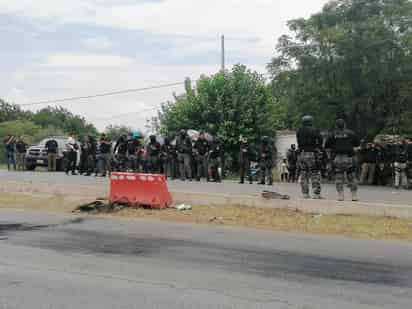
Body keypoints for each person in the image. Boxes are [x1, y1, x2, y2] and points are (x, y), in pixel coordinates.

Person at [325, 119, 360, 201]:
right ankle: (354, 195)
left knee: (339, 177)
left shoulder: (332, 134)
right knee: (352, 177)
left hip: (337, 158)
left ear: (336, 126)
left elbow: (327, 146)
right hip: (349, 158)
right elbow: (357, 144)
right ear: (344, 125)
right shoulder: (351, 133)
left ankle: (341, 195)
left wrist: (329, 159)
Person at [296, 115, 323, 199]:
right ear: (310, 121)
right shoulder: (314, 130)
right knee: (315, 173)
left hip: (302, 153)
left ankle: (305, 193)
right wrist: (318, 147)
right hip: (312, 153)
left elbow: (299, 142)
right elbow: (320, 140)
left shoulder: (299, 131)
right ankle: (316, 193)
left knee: (304, 173)